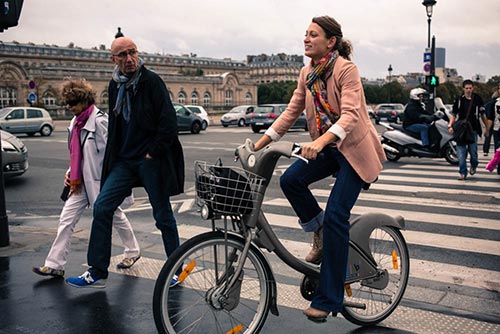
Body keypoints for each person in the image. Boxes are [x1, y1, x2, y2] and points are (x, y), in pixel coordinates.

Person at [253, 15, 386, 322]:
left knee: (338, 214)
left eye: (313, 35)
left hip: (352, 151)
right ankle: (320, 233)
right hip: (328, 148)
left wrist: (322, 140)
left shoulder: (346, 70)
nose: (306, 39)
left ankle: (329, 299)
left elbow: (351, 115)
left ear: (331, 42)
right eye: (305, 34)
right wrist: (259, 144)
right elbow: (291, 112)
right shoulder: (307, 73)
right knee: (291, 180)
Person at [66, 37, 185, 288]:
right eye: (123, 55)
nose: (129, 59)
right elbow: (116, 123)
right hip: (124, 160)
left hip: (149, 160)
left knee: (162, 215)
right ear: (113, 59)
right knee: (102, 207)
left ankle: (176, 269)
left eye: (132, 53)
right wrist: (114, 158)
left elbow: (168, 122)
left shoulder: (151, 81)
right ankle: (97, 269)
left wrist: (153, 152)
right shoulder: (114, 85)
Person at [33, 79, 141, 278]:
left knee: (115, 216)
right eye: (67, 103)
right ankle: (55, 264)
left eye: (73, 103)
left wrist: (115, 181)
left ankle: (133, 251)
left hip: (101, 182)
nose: (69, 107)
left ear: (85, 101)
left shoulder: (101, 122)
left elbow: (115, 153)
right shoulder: (75, 122)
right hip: (80, 182)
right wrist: (69, 173)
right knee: (66, 220)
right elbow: (77, 153)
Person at [448, 79, 488, 180]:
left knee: (473, 153)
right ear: (463, 89)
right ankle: (462, 173)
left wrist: (487, 127)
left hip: (473, 129)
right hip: (461, 130)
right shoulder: (459, 100)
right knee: (461, 154)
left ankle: (474, 165)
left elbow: (482, 114)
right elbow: (454, 114)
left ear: (473, 88)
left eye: (470, 88)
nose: (468, 90)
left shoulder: (477, 99)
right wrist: (450, 125)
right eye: (467, 88)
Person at [482, 85, 499, 156]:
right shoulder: (494, 103)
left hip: (496, 126)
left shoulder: (492, 102)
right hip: (497, 127)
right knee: (497, 148)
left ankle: (486, 150)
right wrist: (487, 129)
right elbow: (491, 118)